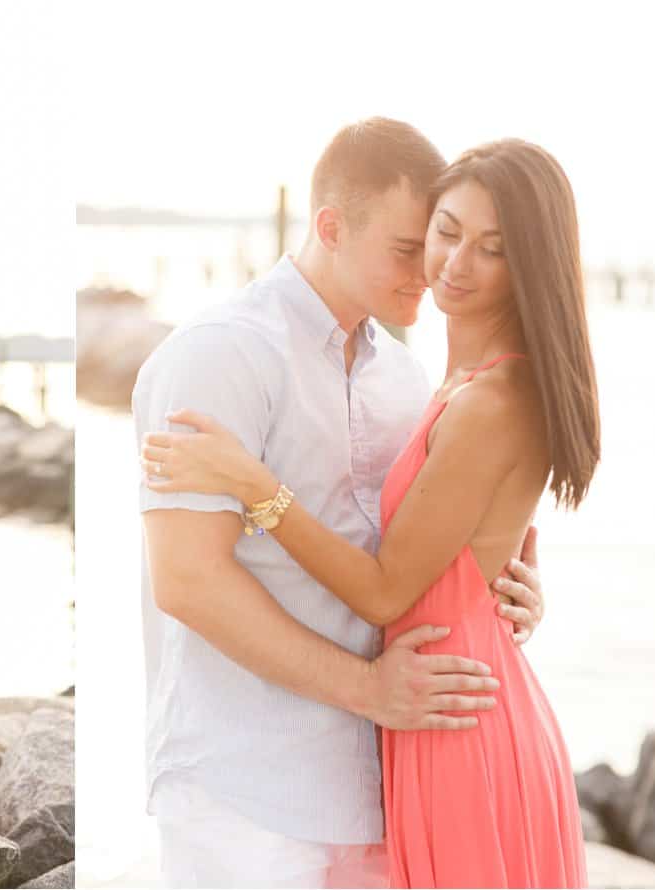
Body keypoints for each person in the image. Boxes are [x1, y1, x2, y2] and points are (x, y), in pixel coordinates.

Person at [141, 137, 598, 887]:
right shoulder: (221, 354)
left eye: (489, 248)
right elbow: (186, 582)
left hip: (393, 754)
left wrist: (501, 592)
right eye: (425, 241)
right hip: (253, 783)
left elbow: (408, 571)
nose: (441, 266)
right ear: (329, 228)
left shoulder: (410, 379)